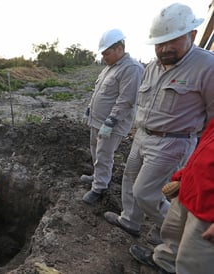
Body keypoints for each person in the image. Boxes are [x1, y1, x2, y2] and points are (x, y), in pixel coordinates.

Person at [104, 2, 214, 245]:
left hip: (172, 142)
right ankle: (130, 221)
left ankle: (172, 240)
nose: (165, 48)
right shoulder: (152, 67)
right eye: (160, 43)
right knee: (130, 180)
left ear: (192, 35)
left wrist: (199, 157)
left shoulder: (207, 66)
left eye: (172, 40)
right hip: (142, 135)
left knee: (146, 193)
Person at [128, 118, 214, 274]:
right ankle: (164, 264)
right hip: (191, 189)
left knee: (194, 260)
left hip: (208, 209)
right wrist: (183, 177)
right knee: (172, 237)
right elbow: (204, 149)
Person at [80, 29, 144, 205]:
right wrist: (89, 109)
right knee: (95, 150)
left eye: (106, 53)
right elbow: (99, 92)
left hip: (111, 124)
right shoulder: (109, 68)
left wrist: (110, 122)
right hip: (97, 120)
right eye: (102, 54)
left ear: (119, 49)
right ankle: (96, 176)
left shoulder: (131, 69)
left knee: (104, 154)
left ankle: (99, 187)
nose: (103, 57)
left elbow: (126, 100)